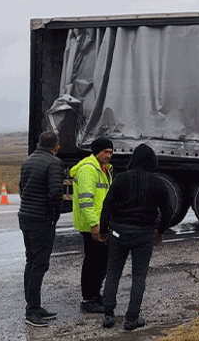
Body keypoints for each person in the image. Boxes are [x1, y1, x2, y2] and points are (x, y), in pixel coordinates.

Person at [99, 143, 172, 330]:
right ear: (152, 161)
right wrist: (161, 231)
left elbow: (107, 206)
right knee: (139, 277)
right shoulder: (158, 183)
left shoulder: (121, 179)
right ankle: (131, 318)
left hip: (118, 232)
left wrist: (104, 231)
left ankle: (108, 315)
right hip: (144, 234)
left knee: (113, 273)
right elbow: (168, 212)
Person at [18, 131, 64, 327]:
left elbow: (22, 187)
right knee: (39, 265)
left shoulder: (28, 160)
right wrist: (53, 217)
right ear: (56, 146)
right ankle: (31, 311)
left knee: (31, 261)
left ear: (38, 143)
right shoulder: (54, 163)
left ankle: (34, 306)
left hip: (25, 216)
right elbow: (55, 194)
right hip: (41, 220)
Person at [71, 137, 114, 313]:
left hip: (102, 224)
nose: (109, 155)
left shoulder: (104, 169)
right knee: (93, 263)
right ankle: (88, 299)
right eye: (105, 152)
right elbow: (86, 201)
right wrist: (94, 224)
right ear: (96, 152)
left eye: (111, 152)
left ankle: (95, 295)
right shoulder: (88, 170)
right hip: (92, 226)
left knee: (101, 262)